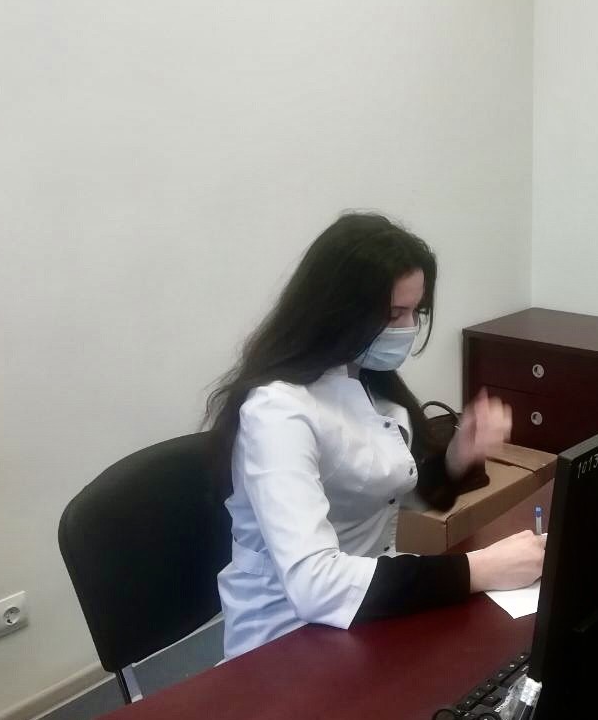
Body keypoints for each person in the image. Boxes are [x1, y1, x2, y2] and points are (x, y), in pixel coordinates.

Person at [206, 212, 544, 659]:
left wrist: (457, 459)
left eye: (415, 312)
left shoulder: (364, 375)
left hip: (370, 603)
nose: (407, 329)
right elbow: (314, 584)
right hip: (285, 634)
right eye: (393, 314)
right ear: (338, 309)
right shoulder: (277, 412)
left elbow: (389, 493)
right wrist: (478, 569)